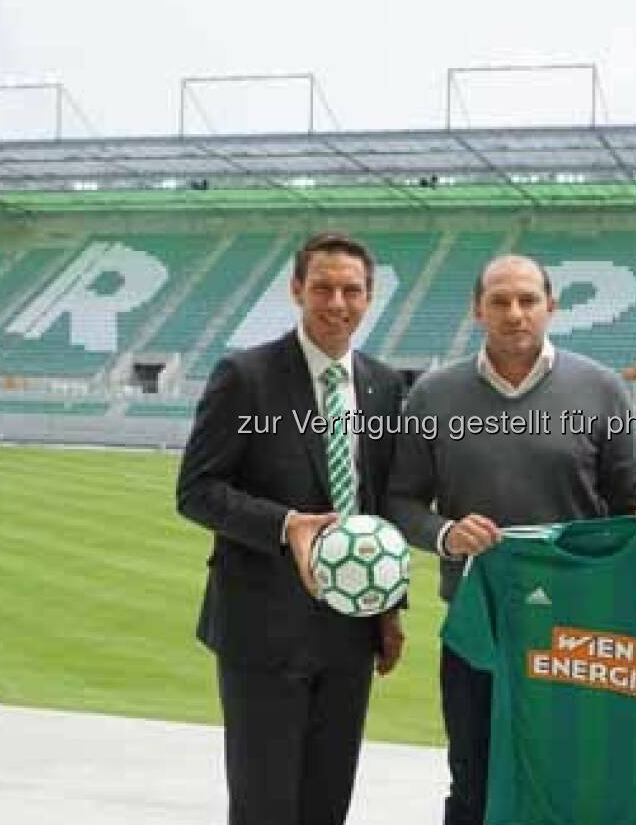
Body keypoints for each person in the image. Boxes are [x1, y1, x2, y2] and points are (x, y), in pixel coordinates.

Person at [384, 253, 636, 825]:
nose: (515, 313)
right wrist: (446, 535)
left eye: (528, 300)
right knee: (474, 780)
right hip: (476, 623)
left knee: (571, 778)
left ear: (551, 307)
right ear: (477, 310)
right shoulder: (433, 396)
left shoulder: (602, 389)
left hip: (577, 630)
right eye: (500, 301)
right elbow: (399, 503)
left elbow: (633, 505)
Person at [177, 231, 407, 825]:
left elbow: (378, 502)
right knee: (265, 808)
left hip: (350, 633)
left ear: (369, 297)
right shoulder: (246, 377)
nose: (337, 303)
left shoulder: (385, 386)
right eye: (323, 288)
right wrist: (286, 525)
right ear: (296, 290)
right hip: (263, 628)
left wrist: (389, 606)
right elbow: (197, 491)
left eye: (351, 290)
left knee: (327, 803)